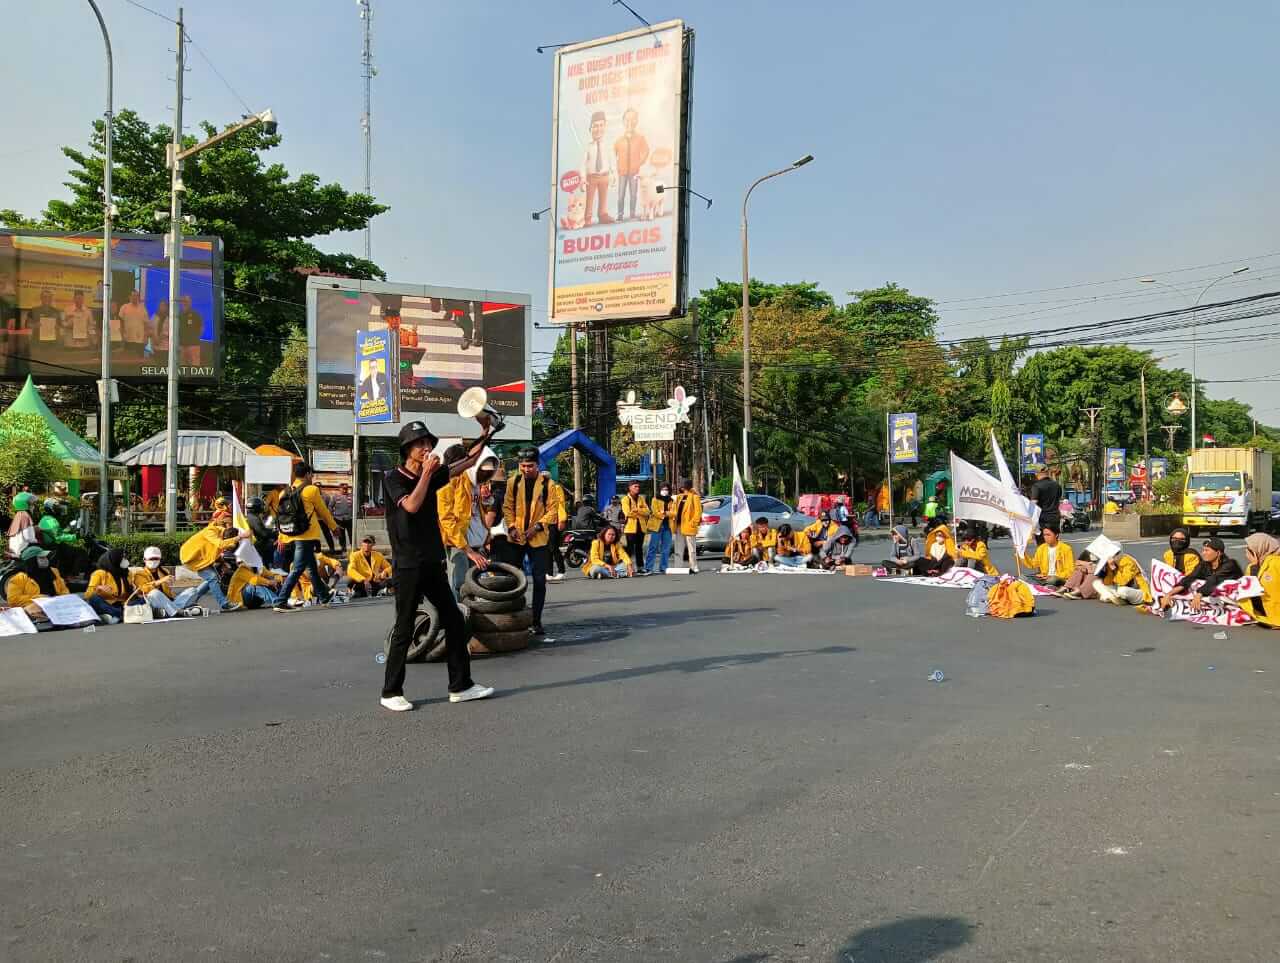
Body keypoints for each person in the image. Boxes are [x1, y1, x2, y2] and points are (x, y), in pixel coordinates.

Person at [381, 418, 497, 712]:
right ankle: (391, 692)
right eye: (420, 444)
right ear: (407, 449)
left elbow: (467, 461)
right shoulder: (393, 478)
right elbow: (411, 505)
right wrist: (426, 474)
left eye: (428, 443)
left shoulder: (432, 475)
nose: (426, 448)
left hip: (432, 562)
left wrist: (487, 432)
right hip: (408, 565)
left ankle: (461, 686)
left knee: (455, 620)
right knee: (404, 627)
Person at [271, 461, 342, 612]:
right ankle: (280, 601)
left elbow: (281, 517)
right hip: (306, 536)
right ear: (308, 474)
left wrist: (281, 537)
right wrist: (334, 527)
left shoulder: (284, 492)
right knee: (298, 569)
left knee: (312, 568)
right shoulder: (311, 490)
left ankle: (324, 596)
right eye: (311, 474)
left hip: (289, 534)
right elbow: (323, 511)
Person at [503, 448, 559, 636]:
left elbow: (552, 511)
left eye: (530, 466)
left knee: (539, 581)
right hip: (516, 537)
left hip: (538, 539)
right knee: (513, 580)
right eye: (523, 466)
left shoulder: (548, 484)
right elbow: (507, 507)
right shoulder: (513, 482)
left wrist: (537, 527)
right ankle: (512, 618)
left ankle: (536, 621)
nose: (526, 469)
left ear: (538, 465)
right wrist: (512, 527)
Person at [439, 449, 497, 598]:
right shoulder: (449, 482)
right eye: (483, 471)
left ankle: (471, 610)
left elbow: (476, 511)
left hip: (475, 539)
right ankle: (457, 612)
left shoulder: (476, 483)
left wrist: (486, 533)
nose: (485, 475)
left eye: (488, 472)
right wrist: (468, 550)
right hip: (457, 541)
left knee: (475, 581)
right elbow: (446, 518)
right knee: (460, 583)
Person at [1157, 537, 1244, 614]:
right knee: (1192, 585)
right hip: (1211, 593)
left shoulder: (1230, 564)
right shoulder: (1204, 564)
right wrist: (1169, 594)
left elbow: (1214, 579)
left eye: (1207, 550)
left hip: (1236, 596)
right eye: (1203, 550)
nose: (1203, 553)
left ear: (1218, 553)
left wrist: (1199, 594)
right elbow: (1189, 578)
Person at [180, 520, 251, 612]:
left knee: (212, 580)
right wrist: (240, 537)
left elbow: (214, 550)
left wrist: (222, 563)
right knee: (212, 578)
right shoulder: (210, 531)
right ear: (225, 537)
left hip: (202, 559)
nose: (229, 548)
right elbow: (220, 544)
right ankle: (224, 604)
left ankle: (189, 601)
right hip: (192, 558)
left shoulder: (222, 534)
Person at [613, 106, 649, 221]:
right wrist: (616, 167)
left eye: (633, 119)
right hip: (622, 172)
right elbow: (612, 155)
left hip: (634, 172)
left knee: (633, 194)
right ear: (623, 121)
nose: (630, 122)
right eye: (627, 119)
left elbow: (646, 150)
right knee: (621, 195)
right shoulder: (619, 140)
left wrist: (639, 163)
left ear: (636, 121)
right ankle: (620, 215)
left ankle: (632, 214)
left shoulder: (640, 138)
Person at [6, 546, 70, 608]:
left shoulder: (54, 571)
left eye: (45, 557)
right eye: (42, 557)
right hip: (35, 611)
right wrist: (40, 599)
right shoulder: (18, 579)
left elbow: (63, 589)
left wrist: (63, 599)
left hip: (56, 608)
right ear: (32, 561)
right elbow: (13, 601)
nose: (46, 559)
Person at [581, 110, 615, 227]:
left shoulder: (608, 145)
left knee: (603, 196)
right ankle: (587, 217)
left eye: (601, 125)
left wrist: (613, 173)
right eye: (595, 126)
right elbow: (583, 164)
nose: (598, 129)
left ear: (605, 127)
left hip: (604, 176)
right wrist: (582, 178)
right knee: (589, 198)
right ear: (590, 128)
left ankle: (602, 214)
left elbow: (611, 160)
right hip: (591, 178)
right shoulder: (587, 147)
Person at [1239, 533, 1280, 628]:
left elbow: (1258, 588)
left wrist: (1254, 567)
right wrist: (1254, 566)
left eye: (1249, 550)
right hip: (1262, 611)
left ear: (1258, 550)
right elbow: (1248, 591)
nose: (1246, 553)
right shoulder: (1252, 566)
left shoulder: (1276, 563)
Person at [84, 549, 133, 623]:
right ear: (115, 559)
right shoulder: (99, 573)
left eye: (125, 558)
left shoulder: (126, 573)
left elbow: (130, 594)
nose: (125, 560)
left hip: (123, 605)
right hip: (106, 604)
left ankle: (113, 616)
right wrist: (98, 588)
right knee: (93, 599)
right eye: (123, 558)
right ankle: (120, 614)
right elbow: (87, 595)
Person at [671, 478, 703, 572]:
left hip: (689, 525)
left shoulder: (694, 497)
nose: (681, 487)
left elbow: (698, 512)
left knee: (691, 548)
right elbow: (674, 510)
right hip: (678, 525)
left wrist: (693, 523)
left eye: (683, 485)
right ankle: (678, 566)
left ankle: (694, 566)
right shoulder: (678, 497)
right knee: (678, 547)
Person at [644, 482, 675, 574]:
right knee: (653, 547)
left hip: (668, 527)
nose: (664, 491)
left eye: (666, 489)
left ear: (669, 490)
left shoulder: (671, 500)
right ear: (659, 490)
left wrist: (664, 513)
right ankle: (649, 567)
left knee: (666, 548)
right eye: (663, 489)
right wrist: (666, 514)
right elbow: (655, 512)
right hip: (656, 527)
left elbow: (674, 513)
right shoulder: (655, 499)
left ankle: (663, 567)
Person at [619, 481, 650, 572]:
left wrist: (637, 510)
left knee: (639, 548)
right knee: (630, 549)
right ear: (630, 488)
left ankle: (640, 568)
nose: (637, 488)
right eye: (635, 486)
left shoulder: (641, 498)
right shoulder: (625, 499)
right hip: (630, 528)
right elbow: (628, 513)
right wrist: (641, 511)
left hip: (641, 527)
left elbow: (648, 511)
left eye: (638, 486)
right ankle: (627, 568)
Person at [1029, 467, 1063, 544]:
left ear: (1037, 474)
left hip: (1042, 519)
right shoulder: (1057, 485)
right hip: (1055, 518)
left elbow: (1033, 504)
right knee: (1054, 543)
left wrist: (1029, 519)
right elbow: (1058, 499)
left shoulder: (1037, 486)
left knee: (1042, 544)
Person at [547, 474, 569, 582]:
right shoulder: (539, 489)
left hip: (555, 521)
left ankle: (561, 571)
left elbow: (560, 504)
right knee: (547, 548)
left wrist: (562, 519)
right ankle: (549, 572)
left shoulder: (556, 488)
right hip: (544, 522)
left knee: (553, 547)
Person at [244, 496, 277, 563]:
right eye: (261, 506)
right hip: (258, 545)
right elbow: (263, 533)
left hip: (254, 543)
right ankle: (271, 565)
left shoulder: (251, 516)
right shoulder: (254, 519)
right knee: (274, 545)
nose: (262, 507)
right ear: (257, 507)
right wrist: (275, 533)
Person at [118, 289, 149, 359]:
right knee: (128, 360)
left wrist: (146, 337)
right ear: (129, 297)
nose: (135, 297)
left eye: (136, 296)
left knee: (139, 360)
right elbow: (120, 323)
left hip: (140, 340)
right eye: (133, 296)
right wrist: (121, 337)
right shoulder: (124, 307)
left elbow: (146, 324)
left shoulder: (143, 308)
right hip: (127, 339)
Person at [7, 492, 38, 558]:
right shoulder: (25, 516)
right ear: (25, 505)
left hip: (15, 550)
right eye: (31, 504)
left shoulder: (18, 515)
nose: (33, 507)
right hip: (22, 552)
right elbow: (29, 537)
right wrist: (37, 541)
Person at [178, 294, 204, 367]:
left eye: (187, 301)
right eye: (184, 301)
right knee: (182, 366)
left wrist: (195, 338)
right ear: (181, 303)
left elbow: (201, 328)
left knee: (194, 366)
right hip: (181, 345)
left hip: (193, 345)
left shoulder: (195, 315)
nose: (185, 303)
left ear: (190, 302)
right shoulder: (178, 315)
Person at [330, 483, 353, 552]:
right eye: (343, 489)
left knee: (351, 534)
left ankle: (353, 547)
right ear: (340, 489)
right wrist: (332, 515)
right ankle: (343, 548)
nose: (345, 490)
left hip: (349, 518)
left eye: (346, 489)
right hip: (339, 519)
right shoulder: (335, 497)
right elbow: (330, 506)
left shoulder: (351, 496)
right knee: (341, 535)